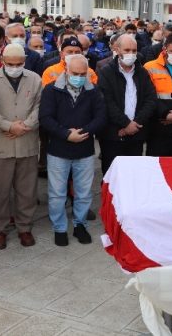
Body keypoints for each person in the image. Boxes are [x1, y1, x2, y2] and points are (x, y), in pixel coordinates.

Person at [39, 54, 106, 247]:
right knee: (57, 193)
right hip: (58, 150)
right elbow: (46, 118)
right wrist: (66, 134)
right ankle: (59, 228)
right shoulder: (52, 90)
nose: (79, 76)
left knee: (84, 193)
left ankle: (80, 225)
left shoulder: (93, 91)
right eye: (75, 73)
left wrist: (82, 133)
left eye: (83, 73)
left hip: (84, 150)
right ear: (66, 70)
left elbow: (101, 117)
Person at [0, 44, 42, 250]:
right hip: (0, 143)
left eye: (19, 64)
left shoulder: (35, 79)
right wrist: (8, 126)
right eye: (10, 64)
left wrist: (25, 126)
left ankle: (24, 227)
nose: (15, 68)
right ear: (2, 60)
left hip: (27, 142)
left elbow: (39, 106)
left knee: (27, 189)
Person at [96, 35, 156, 174]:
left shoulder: (142, 72)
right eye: (127, 50)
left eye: (134, 50)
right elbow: (106, 102)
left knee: (132, 175)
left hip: (136, 133)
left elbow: (151, 99)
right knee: (112, 175)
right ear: (117, 49)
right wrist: (125, 124)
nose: (131, 54)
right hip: (112, 134)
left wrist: (135, 123)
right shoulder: (106, 72)